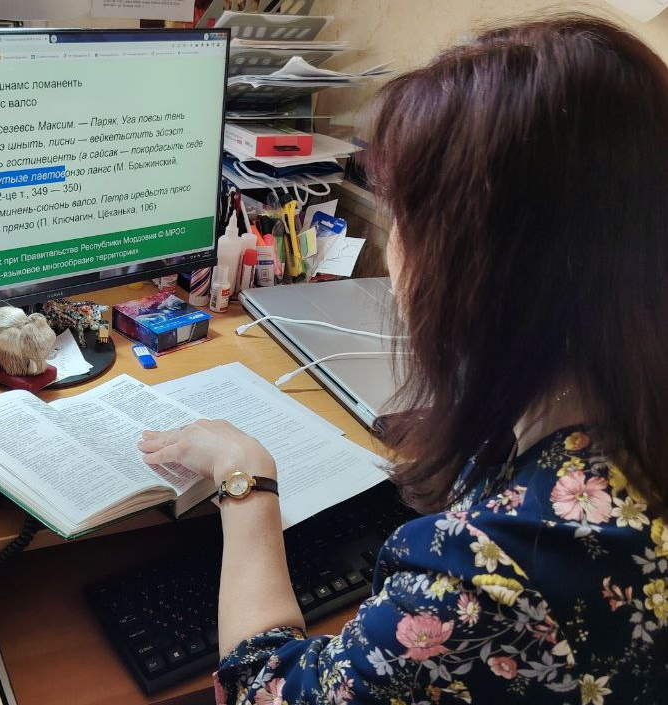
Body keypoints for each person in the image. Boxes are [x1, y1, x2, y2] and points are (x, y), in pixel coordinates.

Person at [138, 15, 668, 704]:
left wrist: (245, 481)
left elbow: (266, 692)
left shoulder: (493, 573)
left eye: (405, 220)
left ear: (473, 268)